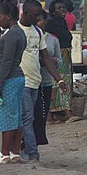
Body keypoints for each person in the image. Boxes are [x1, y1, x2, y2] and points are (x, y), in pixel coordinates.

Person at [19, 0, 68, 163]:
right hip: (21, 82)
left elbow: (47, 58)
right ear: (25, 13)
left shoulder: (39, 34)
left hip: (38, 82)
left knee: (35, 118)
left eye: (40, 16)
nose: (37, 19)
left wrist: (59, 80)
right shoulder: (15, 32)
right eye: (35, 15)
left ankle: (25, 149)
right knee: (27, 118)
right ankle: (32, 154)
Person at [0, 0, 26, 164]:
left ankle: (4, 154)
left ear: (9, 16)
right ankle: (14, 152)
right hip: (16, 78)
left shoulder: (12, 34)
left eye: (0, 16)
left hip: (9, 78)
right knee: (16, 116)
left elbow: (7, 61)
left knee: (7, 116)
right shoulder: (18, 33)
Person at [35, 10, 62, 146]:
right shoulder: (29, 36)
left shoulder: (53, 39)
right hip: (31, 81)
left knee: (43, 113)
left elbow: (60, 59)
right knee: (31, 113)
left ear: (45, 21)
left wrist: (53, 61)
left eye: (40, 20)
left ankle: (39, 138)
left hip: (46, 80)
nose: (37, 23)